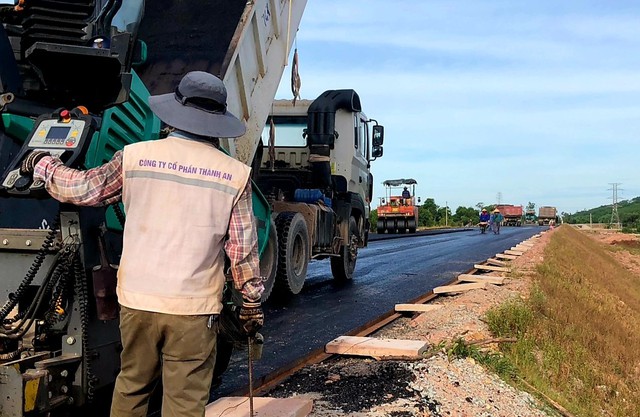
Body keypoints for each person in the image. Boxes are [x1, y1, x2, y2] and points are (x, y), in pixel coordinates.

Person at [22, 71, 264, 417]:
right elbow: (242, 252)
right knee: (184, 403)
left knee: (132, 386)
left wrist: (42, 164)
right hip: (193, 309)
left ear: (176, 111)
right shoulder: (235, 175)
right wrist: (251, 304)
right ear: (217, 121)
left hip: (137, 302)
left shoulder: (134, 157)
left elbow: (83, 190)